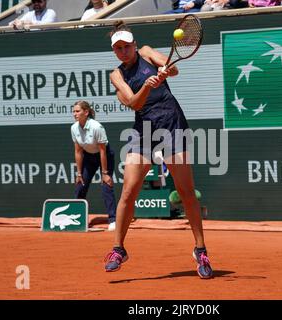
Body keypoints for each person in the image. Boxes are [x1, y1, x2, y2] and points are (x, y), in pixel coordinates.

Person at [103, 21, 213, 279]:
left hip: (172, 124)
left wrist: (166, 69)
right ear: (115, 52)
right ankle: (119, 249)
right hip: (144, 132)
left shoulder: (147, 52)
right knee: (128, 192)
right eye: (118, 48)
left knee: (186, 191)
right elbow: (132, 102)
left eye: (127, 46)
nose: (123, 51)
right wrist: (148, 85)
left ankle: (201, 250)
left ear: (135, 45)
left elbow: (172, 68)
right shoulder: (116, 75)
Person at [71, 100, 117, 231]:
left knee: (106, 185)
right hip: (88, 157)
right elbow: (78, 151)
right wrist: (79, 173)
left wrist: (105, 173)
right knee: (80, 185)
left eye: (77, 111)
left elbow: (103, 151)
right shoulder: (74, 128)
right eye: (73, 111)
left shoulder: (96, 127)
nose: (75, 114)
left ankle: (113, 220)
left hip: (104, 156)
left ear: (86, 112)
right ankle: (76, 218)